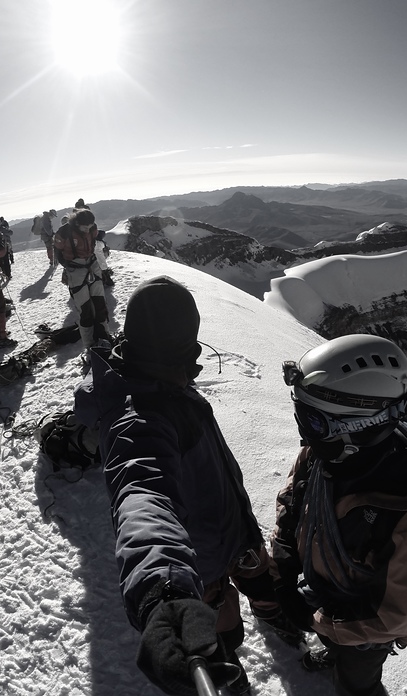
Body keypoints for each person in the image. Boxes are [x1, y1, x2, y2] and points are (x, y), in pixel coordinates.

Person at [73, 276, 303, 696]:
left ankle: (272, 614)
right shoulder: (139, 418)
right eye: (191, 353)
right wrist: (165, 587)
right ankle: (230, 673)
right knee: (220, 635)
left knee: (259, 578)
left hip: (228, 529)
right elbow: (142, 495)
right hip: (200, 562)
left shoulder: (153, 379)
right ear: (182, 350)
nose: (194, 364)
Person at [270, 335, 407, 696]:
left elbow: (396, 616)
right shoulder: (327, 454)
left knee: (358, 682)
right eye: (303, 415)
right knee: (344, 645)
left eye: (315, 422)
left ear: (358, 426)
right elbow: (294, 500)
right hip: (331, 597)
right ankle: (337, 650)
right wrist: (284, 563)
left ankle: (348, 667)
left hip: (364, 626)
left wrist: (320, 622)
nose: (304, 432)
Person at [53, 208, 110, 348]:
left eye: (90, 227)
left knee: (100, 305)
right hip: (75, 269)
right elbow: (58, 252)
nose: (87, 230)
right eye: (85, 227)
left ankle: (104, 338)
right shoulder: (64, 233)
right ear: (77, 223)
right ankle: (90, 345)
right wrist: (67, 267)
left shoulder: (92, 228)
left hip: (92, 264)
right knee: (85, 311)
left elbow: (93, 242)